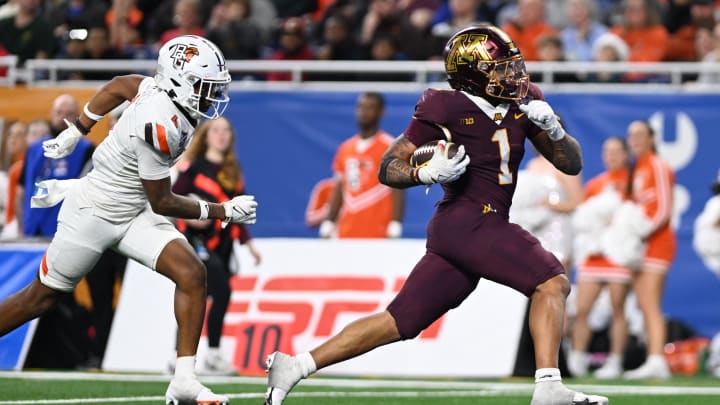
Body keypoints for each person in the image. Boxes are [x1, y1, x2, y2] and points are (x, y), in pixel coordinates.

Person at [264, 24, 608, 405]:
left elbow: (571, 165)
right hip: (470, 221)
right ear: (471, 73)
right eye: (499, 68)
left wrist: (554, 130)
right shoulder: (443, 105)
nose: (512, 75)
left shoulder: (526, 102)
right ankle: (548, 388)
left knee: (400, 322)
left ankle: (295, 365)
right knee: (552, 281)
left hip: (467, 230)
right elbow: (388, 166)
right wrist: (422, 173)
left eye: (512, 66)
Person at [0, 35, 257, 405]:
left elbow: (121, 85)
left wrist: (79, 129)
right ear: (179, 83)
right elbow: (163, 200)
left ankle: (184, 380)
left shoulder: (160, 93)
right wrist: (222, 211)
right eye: (203, 87)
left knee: (191, 273)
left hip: (134, 210)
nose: (209, 96)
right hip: (96, 212)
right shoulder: (160, 123)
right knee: (41, 298)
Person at [172, 116, 262, 375]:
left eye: (226, 131)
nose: (222, 135)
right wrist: (191, 214)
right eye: (216, 130)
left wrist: (249, 244)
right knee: (214, 291)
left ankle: (193, 355)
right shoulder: (194, 167)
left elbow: (239, 212)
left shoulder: (232, 171)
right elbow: (171, 200)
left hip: (223, 244)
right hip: (198, 242)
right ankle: (204, 354)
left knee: (200, 294)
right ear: (207, 135)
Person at [568, 136, 632, 379]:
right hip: (594, 256)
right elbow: (583, 219)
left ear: (626, 154)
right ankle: (578, 358)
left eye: (617, 151)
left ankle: (615, 361)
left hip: (618, 256)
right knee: (582, 309)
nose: (611, 156)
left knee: (618, 308)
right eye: (608, 151)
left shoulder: (633, 181)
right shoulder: (595, 184)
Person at [621, 120, 676, 380]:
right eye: (631, 136)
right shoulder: (637, 168)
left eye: (640, 135)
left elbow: (663, 209)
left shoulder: (657, 165)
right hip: (640, 245)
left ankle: (657, 359)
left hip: (657, 243)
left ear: (652, 138)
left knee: (651, 304)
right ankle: (653, 357)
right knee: (643, 304)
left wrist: (640, 233)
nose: (634, 140)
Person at [318, 92, 405, 239]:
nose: (364, 112)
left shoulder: (390, 146)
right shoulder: (346, 147)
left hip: (378, 230)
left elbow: (398, 188)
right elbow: (340, 186)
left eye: (370, 107)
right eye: (361, 107)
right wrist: (329, 221)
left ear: (380, 112)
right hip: (346, 230)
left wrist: (395, 222)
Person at [16, 94, 94, 238]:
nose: (62, 118)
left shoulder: (86, 149)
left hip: (64, 231)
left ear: (77, 117)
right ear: (51, 114)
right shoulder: (34, 149)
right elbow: (21, 190)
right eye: (59, 112)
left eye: (69, 114)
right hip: (32, 229)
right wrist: (21, 228)